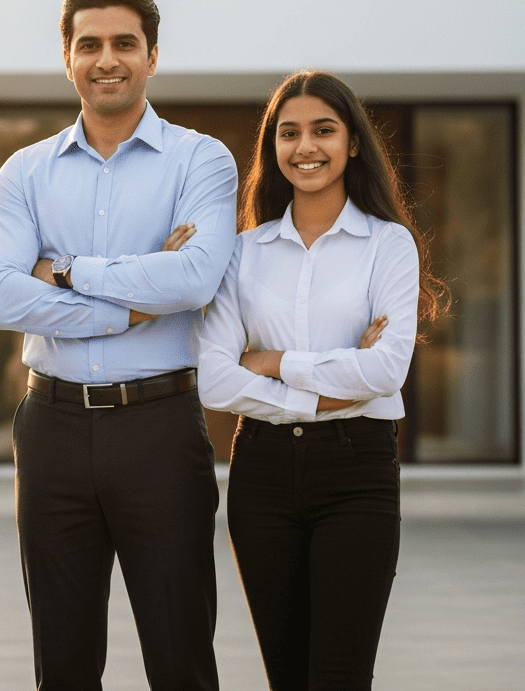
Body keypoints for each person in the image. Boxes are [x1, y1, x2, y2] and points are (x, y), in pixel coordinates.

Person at [0, 0, 237, 691]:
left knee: (180, 653)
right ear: (67, 57)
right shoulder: (25, 173)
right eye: (89, 44)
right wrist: (131, 300)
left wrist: (60, 271)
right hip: (51, 428)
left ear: (152, 54)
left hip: (159, 426)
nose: (107, 59)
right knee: (61, 660)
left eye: (125, 42)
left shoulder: (201, 159)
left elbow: (194, 280)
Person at [198, 70, 448, 691]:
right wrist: (338, 384)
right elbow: (213, 380)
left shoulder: (388, 245)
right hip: (261, 474)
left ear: (354, 143)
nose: (305, 147)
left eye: (323, 130)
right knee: (286, 676)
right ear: (273, 148)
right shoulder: (242, 252)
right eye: (289, 134)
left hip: (355, 473)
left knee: (339, 676)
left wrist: (274, 362)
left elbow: (388, 370)